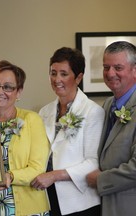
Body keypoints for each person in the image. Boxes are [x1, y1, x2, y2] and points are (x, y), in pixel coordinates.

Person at [31, 47, 104, 216]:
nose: (57, 79)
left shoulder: (93, 112)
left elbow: (94, 162)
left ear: (78, 77)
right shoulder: (44, 112)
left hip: (79, 202)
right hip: (47, 197)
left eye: (64, 74)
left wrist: (54, 176)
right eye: (53, 73)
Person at [0, 60, 50, 216]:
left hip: (28, 209)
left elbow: (38, 168)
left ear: (19, 91)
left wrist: (10, 176)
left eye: (7, 87)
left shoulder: (32, 120)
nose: (0, 91)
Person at [86, 41, 136, 216]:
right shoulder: (106, 104)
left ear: (135, 70)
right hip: (103, 205)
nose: (110, 73)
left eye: (118, 67)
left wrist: (101, 180)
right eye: (106, 67)